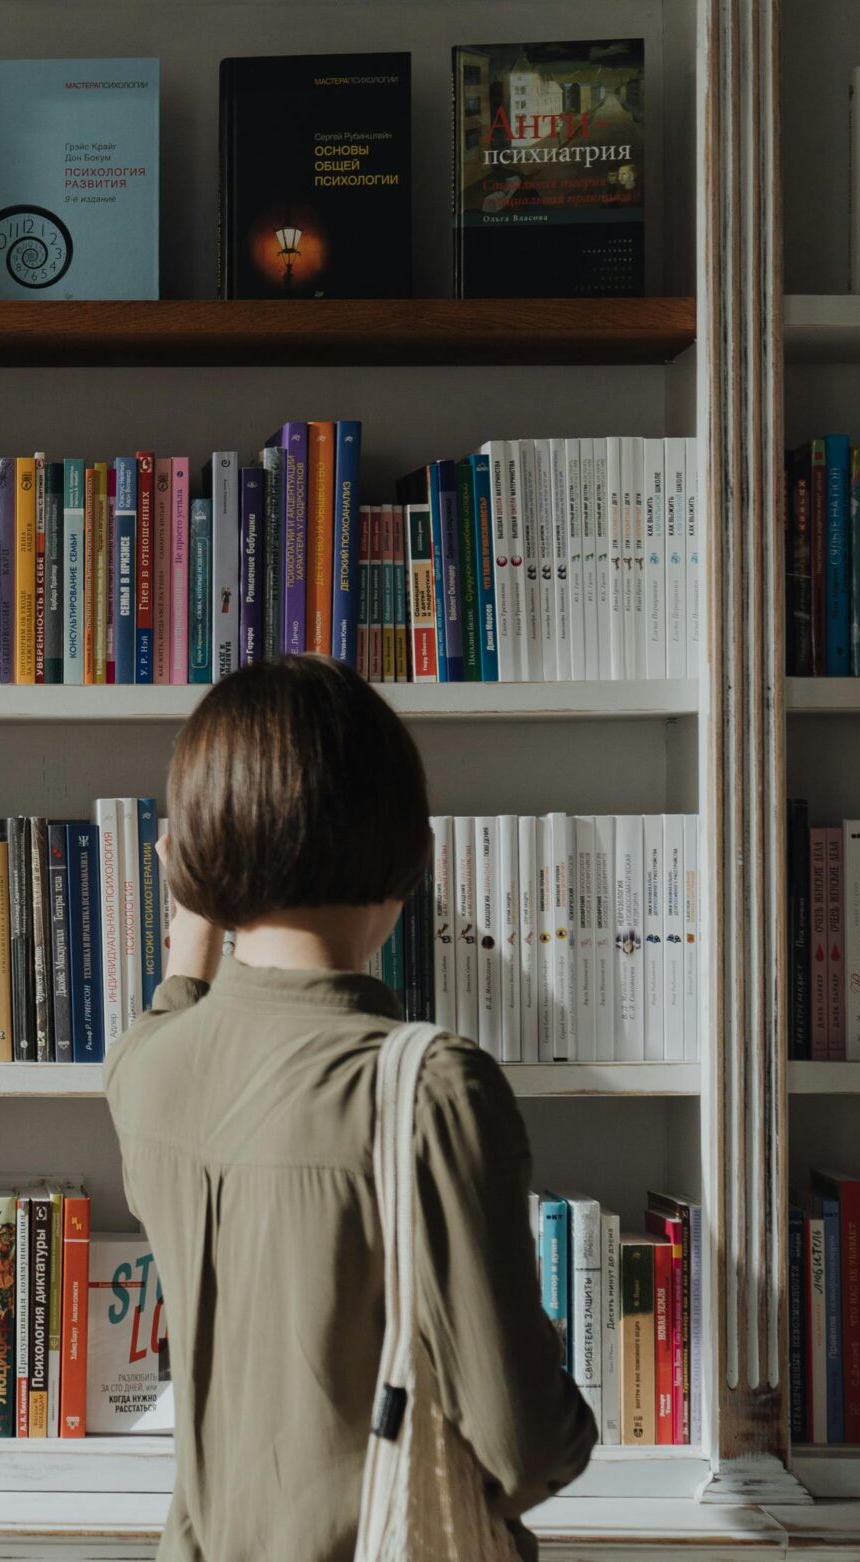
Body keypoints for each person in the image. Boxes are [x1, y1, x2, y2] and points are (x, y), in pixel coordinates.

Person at [106, 656, 595, 1562]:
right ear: (403, 842)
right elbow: (525, 1449)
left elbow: (171, 1008)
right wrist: (553, 1372)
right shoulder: (430, 1090)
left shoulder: (148, 1075)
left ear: (190, 857)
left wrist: (197, 907)